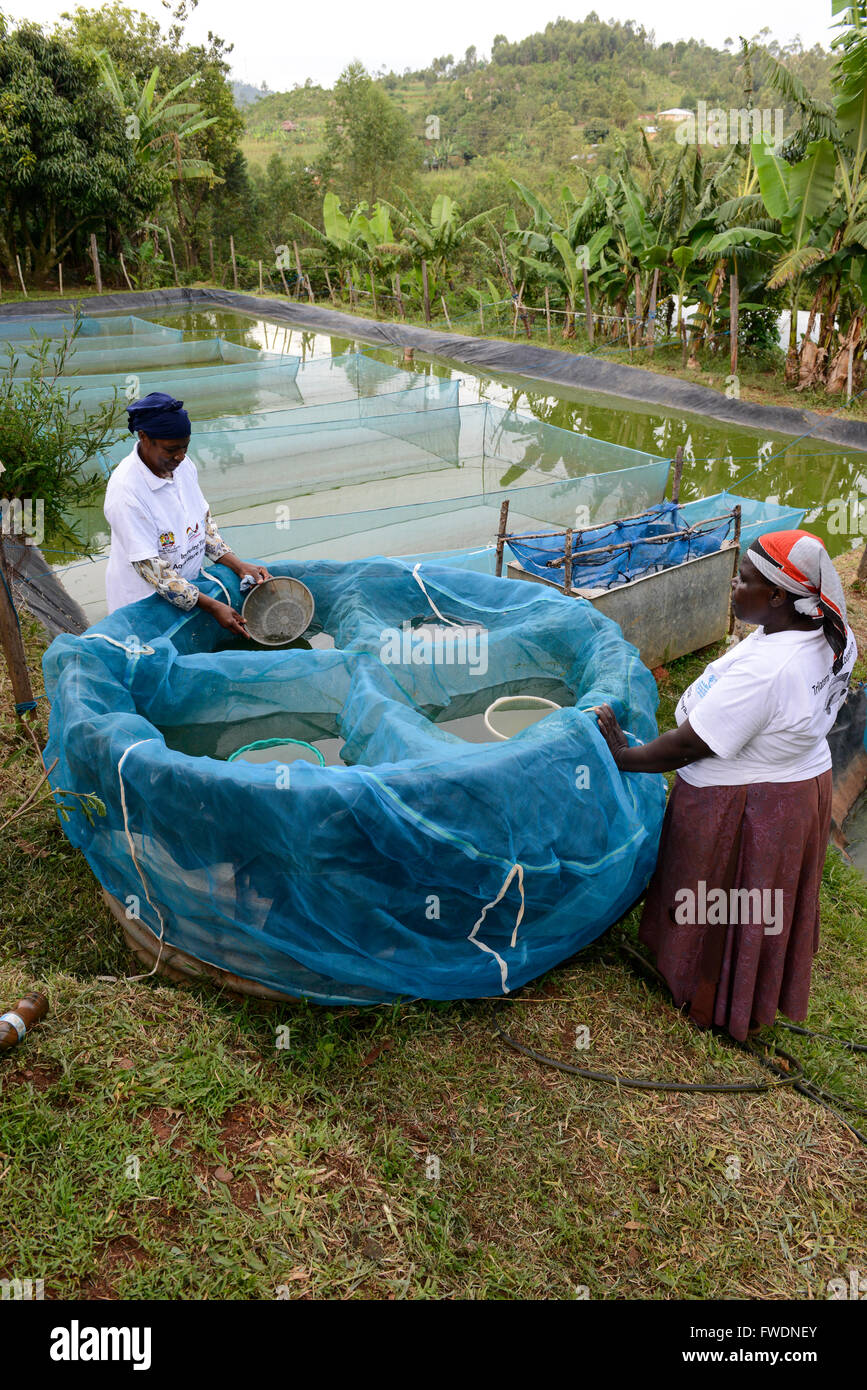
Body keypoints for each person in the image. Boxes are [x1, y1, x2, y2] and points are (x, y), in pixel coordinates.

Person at [595, 529, 857, 1041]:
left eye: (744, 580)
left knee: (723, 896)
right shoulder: (830, 633)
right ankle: (740, 988)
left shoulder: (769, 671)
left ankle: (711, 995)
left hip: (750, 802)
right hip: (799, 787)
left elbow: (691, 745)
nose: (733, 587)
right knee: (755, 902)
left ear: (779, 596)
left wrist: (623, 756)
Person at [104, 392, 271, 633]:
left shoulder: (182, 466)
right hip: (143, 604)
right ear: (144, 437)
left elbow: (203, 525)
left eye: (185, 447)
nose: (180, 456)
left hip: (188, 590)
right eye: (171, 449)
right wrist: (213, 606)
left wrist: (239, 565)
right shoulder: (127, 492)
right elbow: (153, 570)